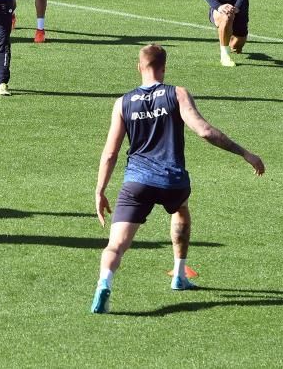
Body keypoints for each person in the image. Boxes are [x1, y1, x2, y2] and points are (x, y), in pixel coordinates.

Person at [90, 44, 265, 314]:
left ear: (139, 67)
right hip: (172, 182)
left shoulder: (122, 102)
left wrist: (100, 190)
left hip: (136, 183)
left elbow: (110, 152)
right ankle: (179, 274)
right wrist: (245, 153)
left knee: (116, 244)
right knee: (180, 209)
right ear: (164, 67)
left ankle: (104, 283)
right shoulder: (176, 94)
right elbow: (204, 131)